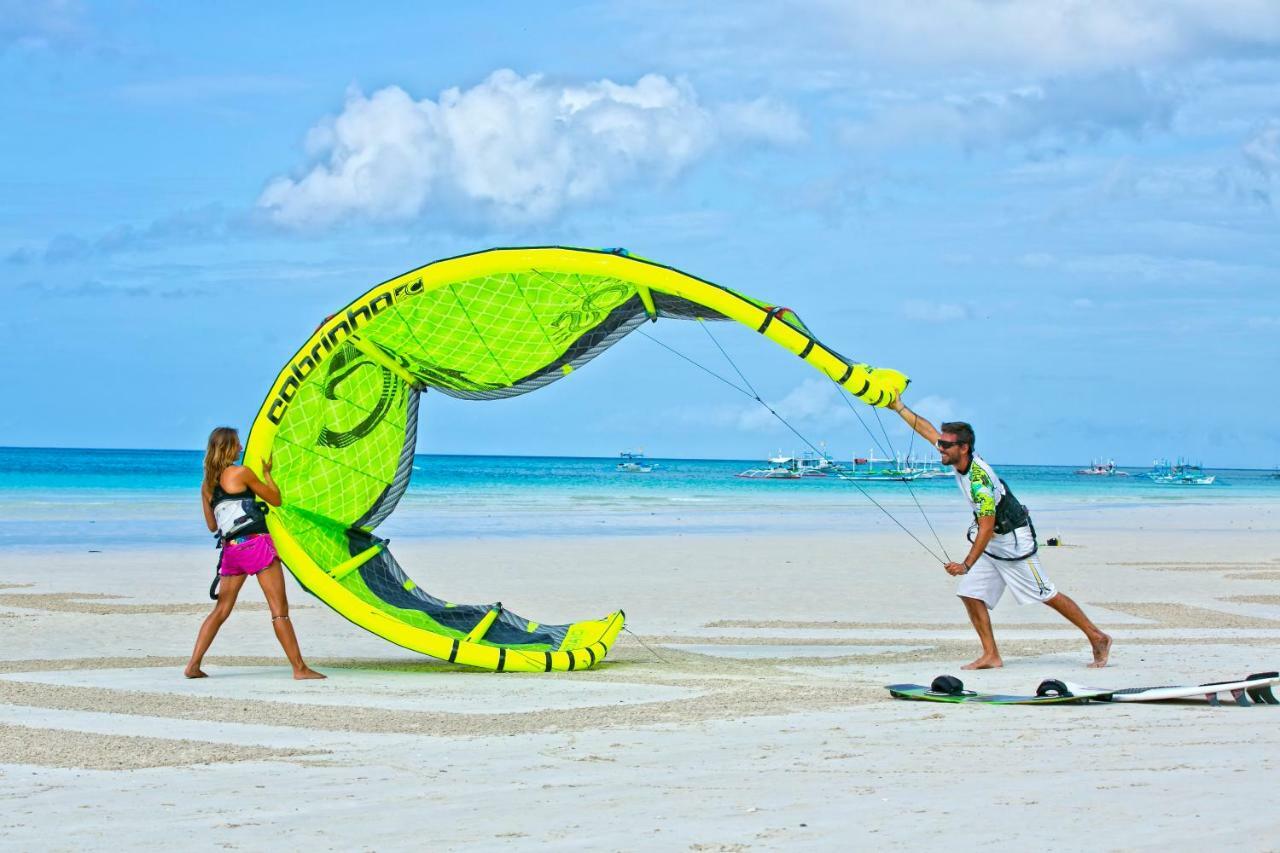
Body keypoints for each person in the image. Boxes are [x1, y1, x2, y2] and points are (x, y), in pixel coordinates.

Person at [889, 399, 1111, 670]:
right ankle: (991, 655)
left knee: (1045, 593)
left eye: (946, 445)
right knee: (971, 594)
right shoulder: (958, 457)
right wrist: (898, 407)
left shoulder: (980, 481)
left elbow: (985, 525)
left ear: (963, 448)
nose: (940, 449)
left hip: (1014, 542)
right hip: (992, 542)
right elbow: (926, 430)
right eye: (941, 444)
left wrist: (966, 564)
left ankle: (1097, 636)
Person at [186, 426, 324, 680]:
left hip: (232, 550)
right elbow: (275, 499)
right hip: (256, 545)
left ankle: (193, 665)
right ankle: (300, 669)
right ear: (227, 448)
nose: (240, 448)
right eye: (237, 444)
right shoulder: (243, 473)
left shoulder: (206, 486)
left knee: (222, 609)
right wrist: (268, 474)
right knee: (279, 610)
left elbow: (212, 526)